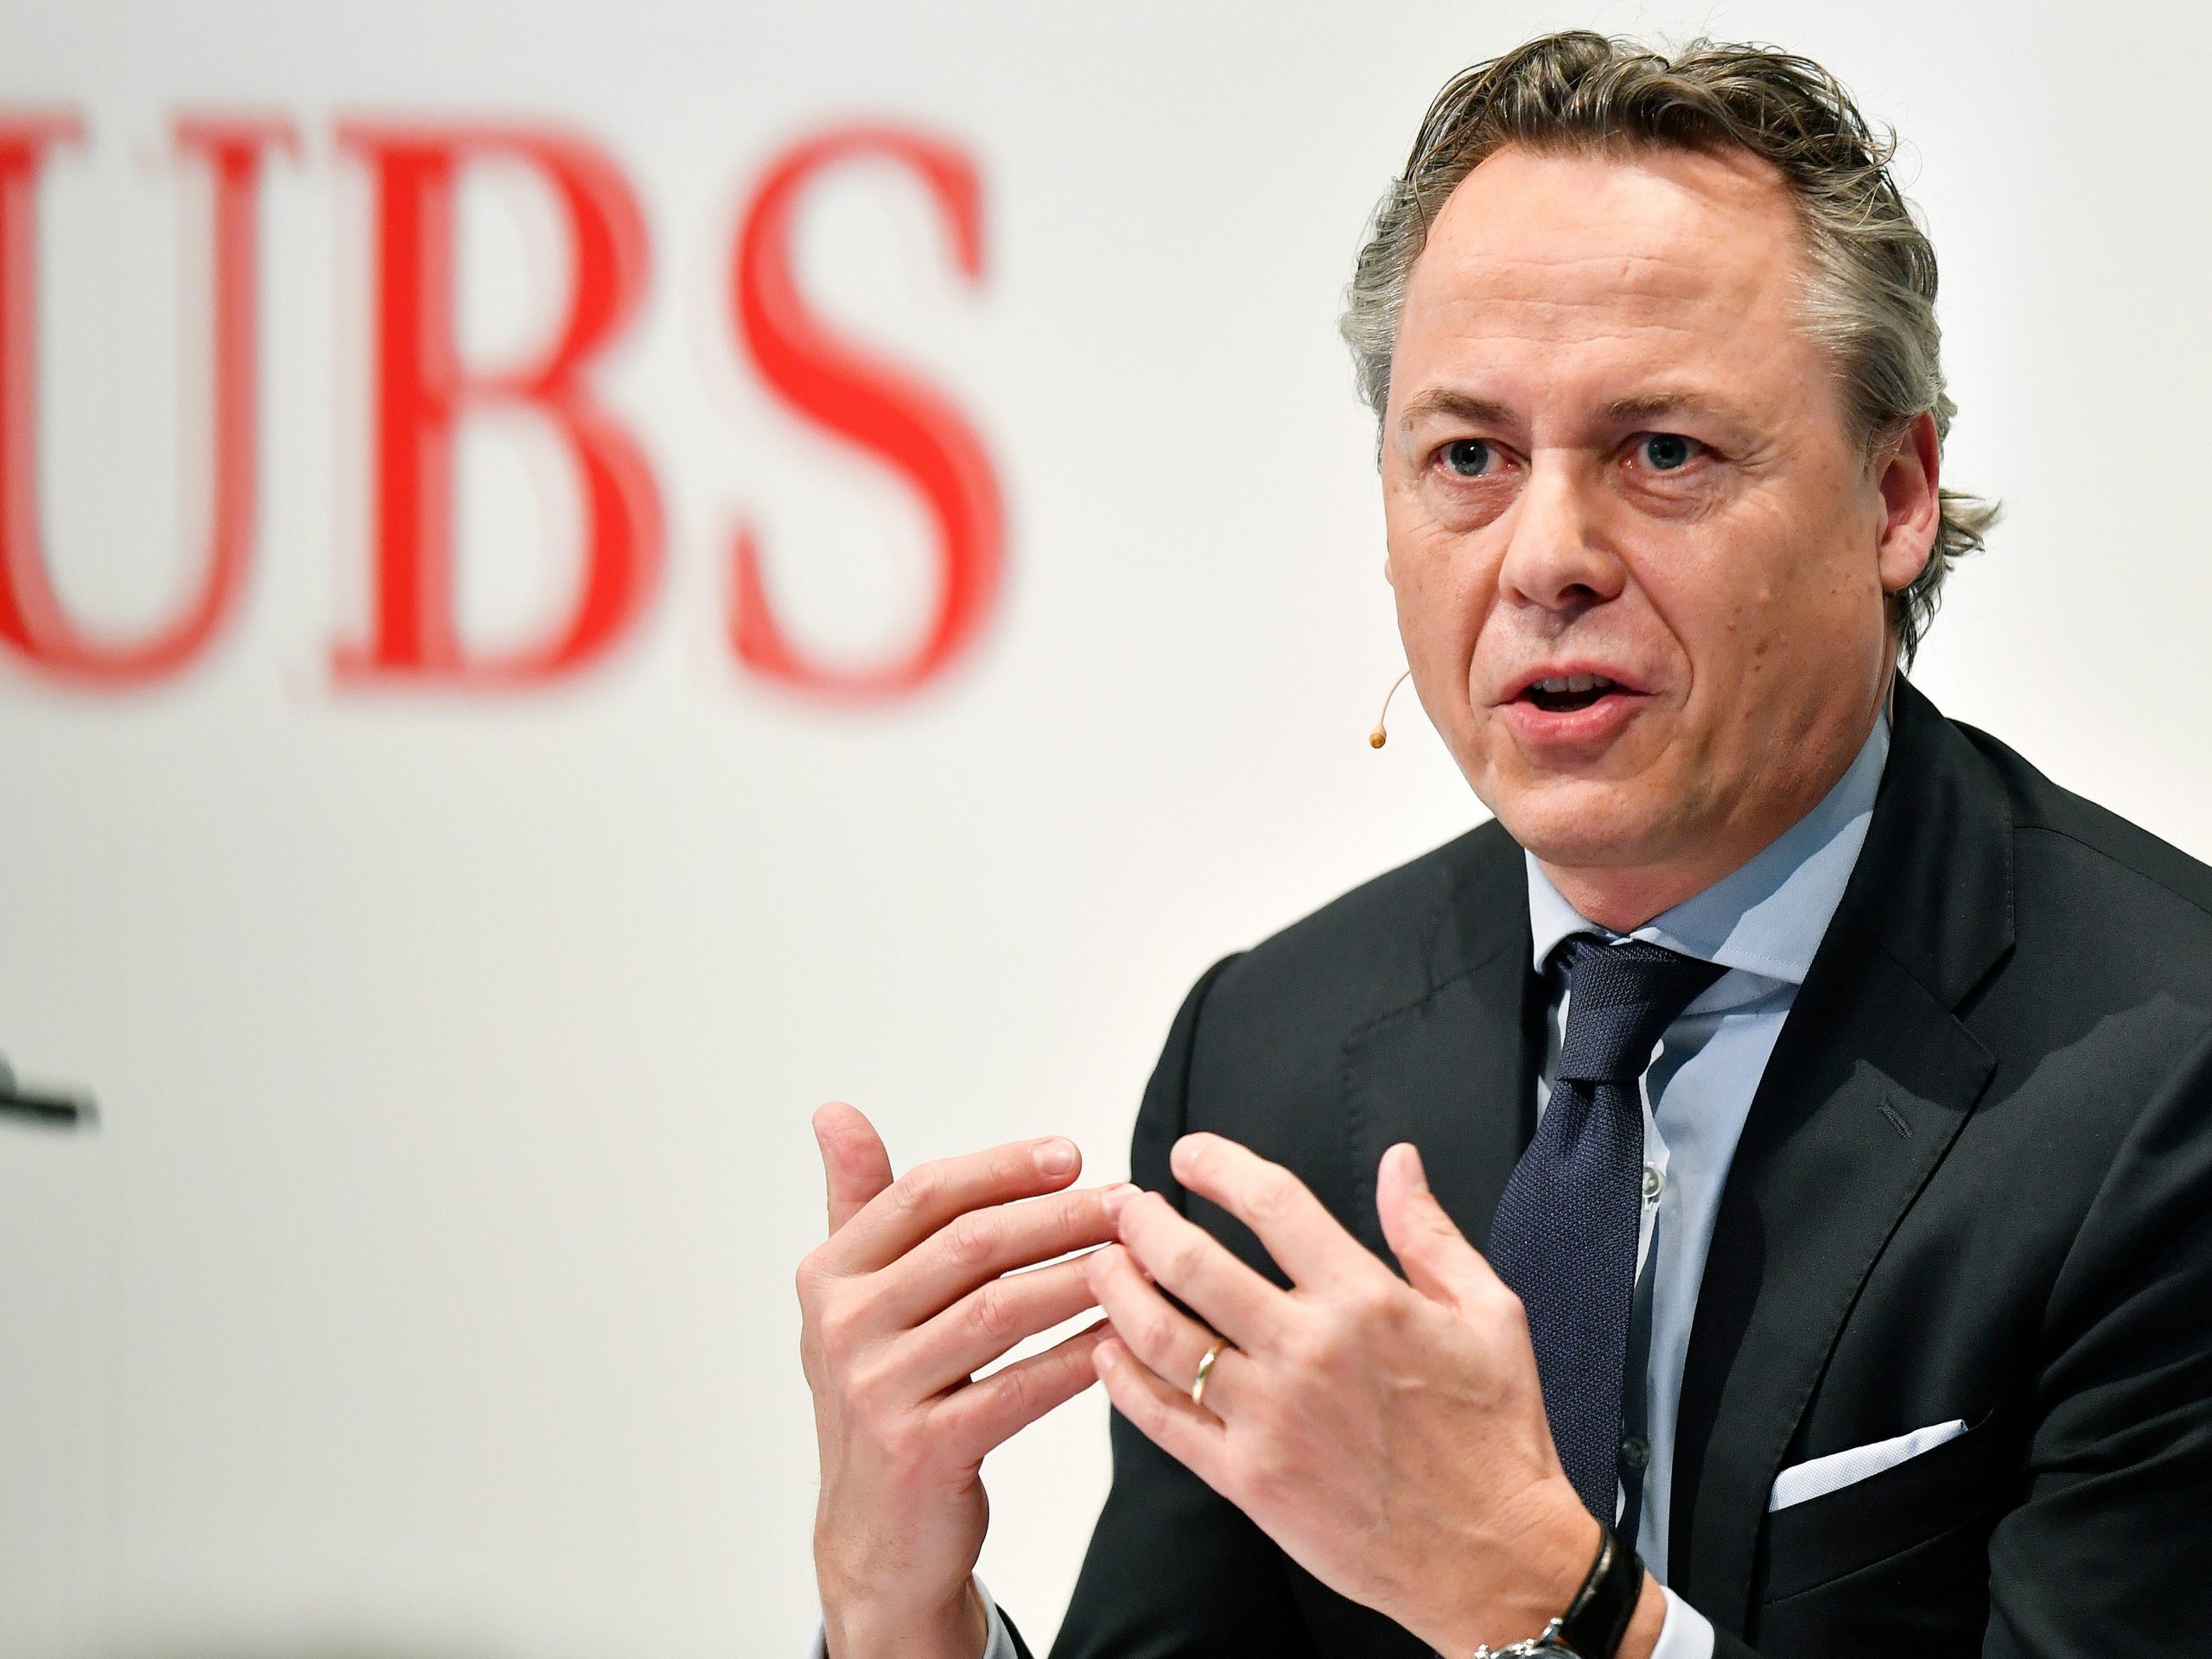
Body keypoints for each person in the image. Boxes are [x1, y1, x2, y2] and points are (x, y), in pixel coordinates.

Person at [796, 32, 2212, 1659]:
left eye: (1663, 453)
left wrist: (1548, 1603)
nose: (1547, 557)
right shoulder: (1273, 1053)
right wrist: (901, 1614)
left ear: (1895, 495)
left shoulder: (2164, 1088)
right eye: (1469, 458)